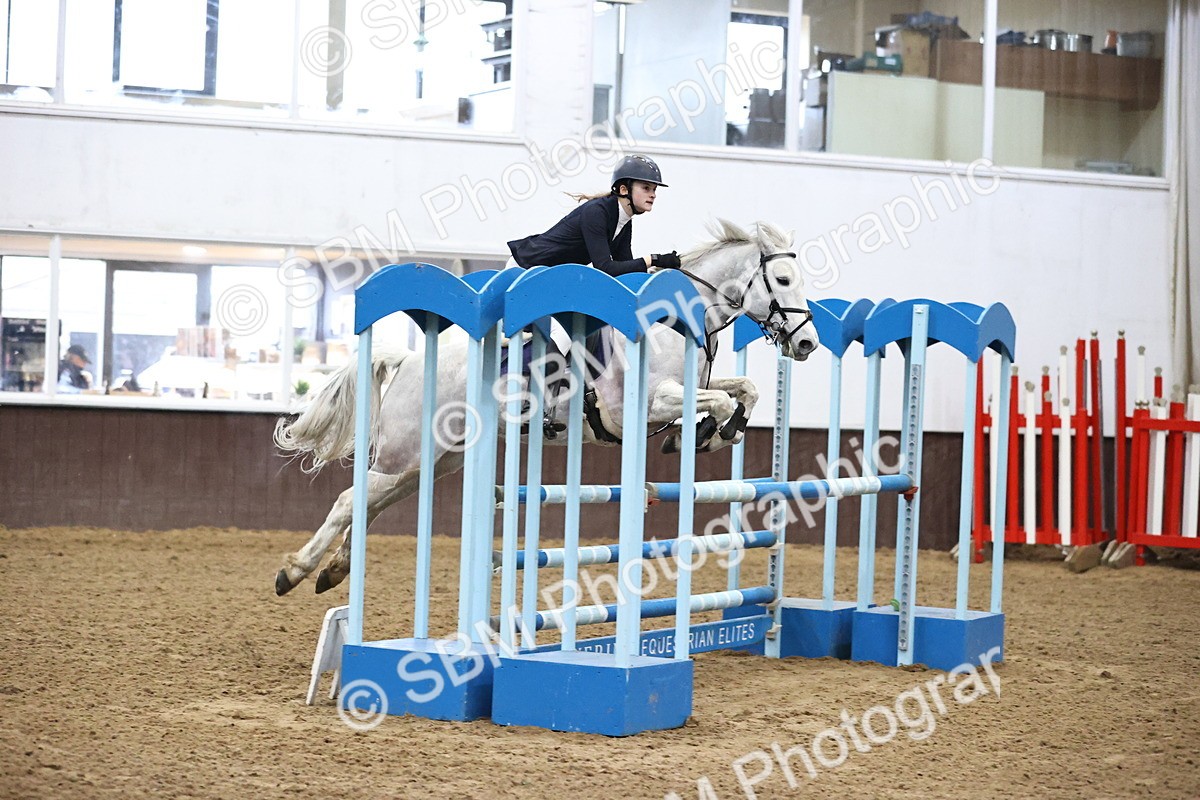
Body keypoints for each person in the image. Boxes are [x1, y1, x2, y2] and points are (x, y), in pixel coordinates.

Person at [507, 154, 681, 275]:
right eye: (646, 188)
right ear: (623, 189)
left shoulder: (624, 220)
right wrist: (653, 259)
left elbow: (625, 271)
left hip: (548, 278)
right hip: (524, 270)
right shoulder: (596, 212)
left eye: (654, 190)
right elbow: (605, 268)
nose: (653, 195)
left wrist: (658, 269)